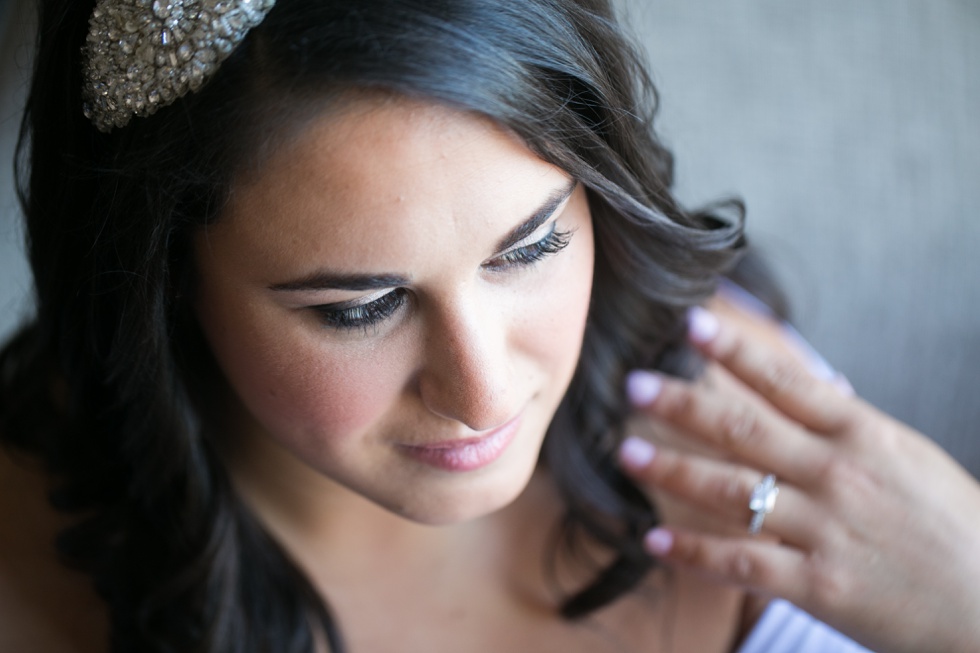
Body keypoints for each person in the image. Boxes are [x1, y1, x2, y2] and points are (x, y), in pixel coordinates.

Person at [0, 1, 977, 652]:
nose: (484, 393)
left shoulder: (738, 382)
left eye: (531, 245)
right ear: (164, 283)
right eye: (359, 307)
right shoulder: (25, 562)